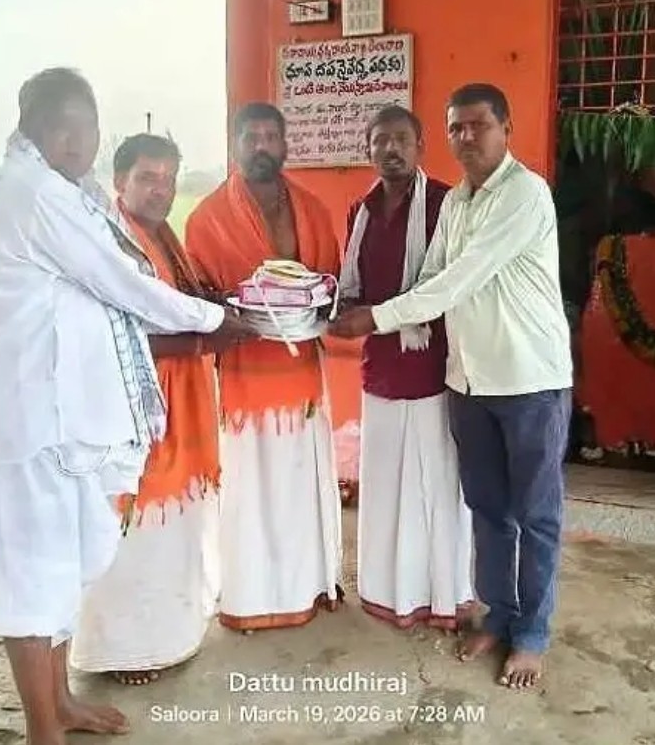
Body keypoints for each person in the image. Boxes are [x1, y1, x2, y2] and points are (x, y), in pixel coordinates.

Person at [0, 68, 248, 745]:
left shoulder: (66, 194)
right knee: (32, 576)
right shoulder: (32, 195)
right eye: (62, 128)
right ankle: (42, 728)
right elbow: (122, 283)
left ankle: (60, 701)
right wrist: (215, 320)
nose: (77, 142)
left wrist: (207, 315)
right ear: (31, 128)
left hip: (64, 417)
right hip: (29, 417)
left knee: (61, 566)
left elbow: (119, 279)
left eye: (87, 127)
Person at [329, 83, 573, 690]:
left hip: (528, 379)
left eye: (478, 125)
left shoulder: (525, 194)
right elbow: (432, 272)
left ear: (506, 129)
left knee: (535, 515)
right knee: (488, 510)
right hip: (467, 380)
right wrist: (358, 308)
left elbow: (458, 280)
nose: (467, 137)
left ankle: (532, 635)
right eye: (457, 128)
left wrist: (375, 318)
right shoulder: (458, 202)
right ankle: (499, 615)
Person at [70, 133, 243, 684]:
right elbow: (114, 330)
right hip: (137, 400)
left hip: (183, 395)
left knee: (178, 519)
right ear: (119, 181)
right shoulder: (111, 242)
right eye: (148, 178)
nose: (160, 190)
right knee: (136, 518)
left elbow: (181, 304)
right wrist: (205, 339)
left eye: (169, 179)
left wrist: (221, 311)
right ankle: (123, 650)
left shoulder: (163, 236)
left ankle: (173, 632)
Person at [184, 101, 344, 632]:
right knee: (251, 491)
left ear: (284, 144)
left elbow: (330, 281)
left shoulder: (312, 209)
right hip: (246, 377)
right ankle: (252, 599)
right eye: (250, 137)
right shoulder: (207, 218)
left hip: (301, 375)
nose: (261, 146)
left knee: (301, 483)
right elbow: (198, 295)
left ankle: (312, 584)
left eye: (270, 137)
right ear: (235, 145)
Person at [338, 105, 477, 633]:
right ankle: (385, 591)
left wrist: (385, 314)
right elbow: (353, 287)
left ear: (421, 147)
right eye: (380, 141)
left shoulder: (447, 204)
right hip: (380, 368)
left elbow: (451, 287)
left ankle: (440, 596)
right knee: (384, 486)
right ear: (368, 149)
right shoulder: (361, 211)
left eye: (401, 139)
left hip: (434, 369)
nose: (390, 149)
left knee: (435, 486)